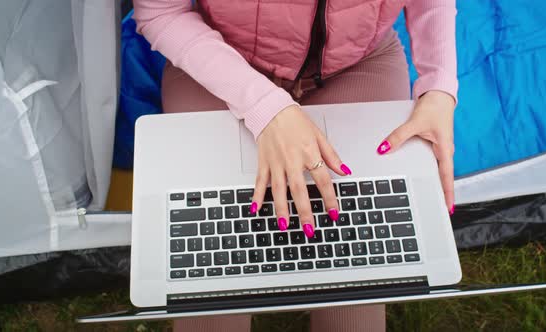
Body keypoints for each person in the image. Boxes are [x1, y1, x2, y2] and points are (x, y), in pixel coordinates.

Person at [133, 0, 458, 330]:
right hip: (217, 59)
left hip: (359, 62)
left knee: (355, 265)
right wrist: (265, 107)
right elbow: (161, 11)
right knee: (213, 268)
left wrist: (439, 85)